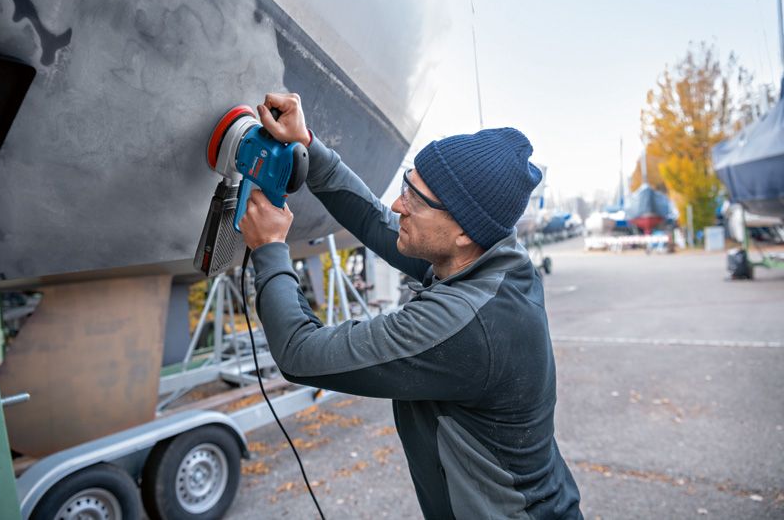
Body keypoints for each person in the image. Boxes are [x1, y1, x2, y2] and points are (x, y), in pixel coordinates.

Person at [239, 93, 583, 519]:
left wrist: (270, 248)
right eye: (407, 184)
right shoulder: (487, 260)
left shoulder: (465, 325)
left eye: (416, 201)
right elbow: (374, 220)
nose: (400, 204)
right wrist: (307, 142)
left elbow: (300, 354)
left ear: (463, 232)